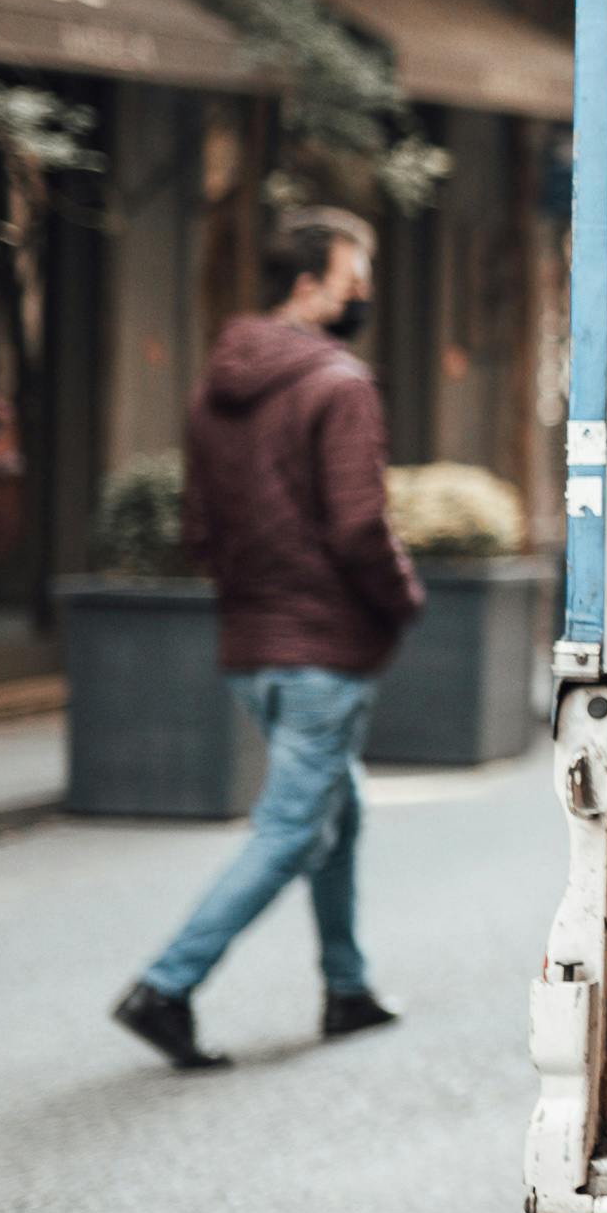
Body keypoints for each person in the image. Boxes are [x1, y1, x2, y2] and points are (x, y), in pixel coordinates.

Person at [109, 206, 423, 1070]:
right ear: (308, 283)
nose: (365, 292)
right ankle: (166, 987)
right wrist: (402, 599)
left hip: (252, 646)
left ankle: (347, 985)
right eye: (355, 276)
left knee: (338, 807)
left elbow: (199, 527)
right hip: (323, 645)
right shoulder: (340, 384)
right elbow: (362, 525)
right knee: (291, 827)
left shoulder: (215, 384)